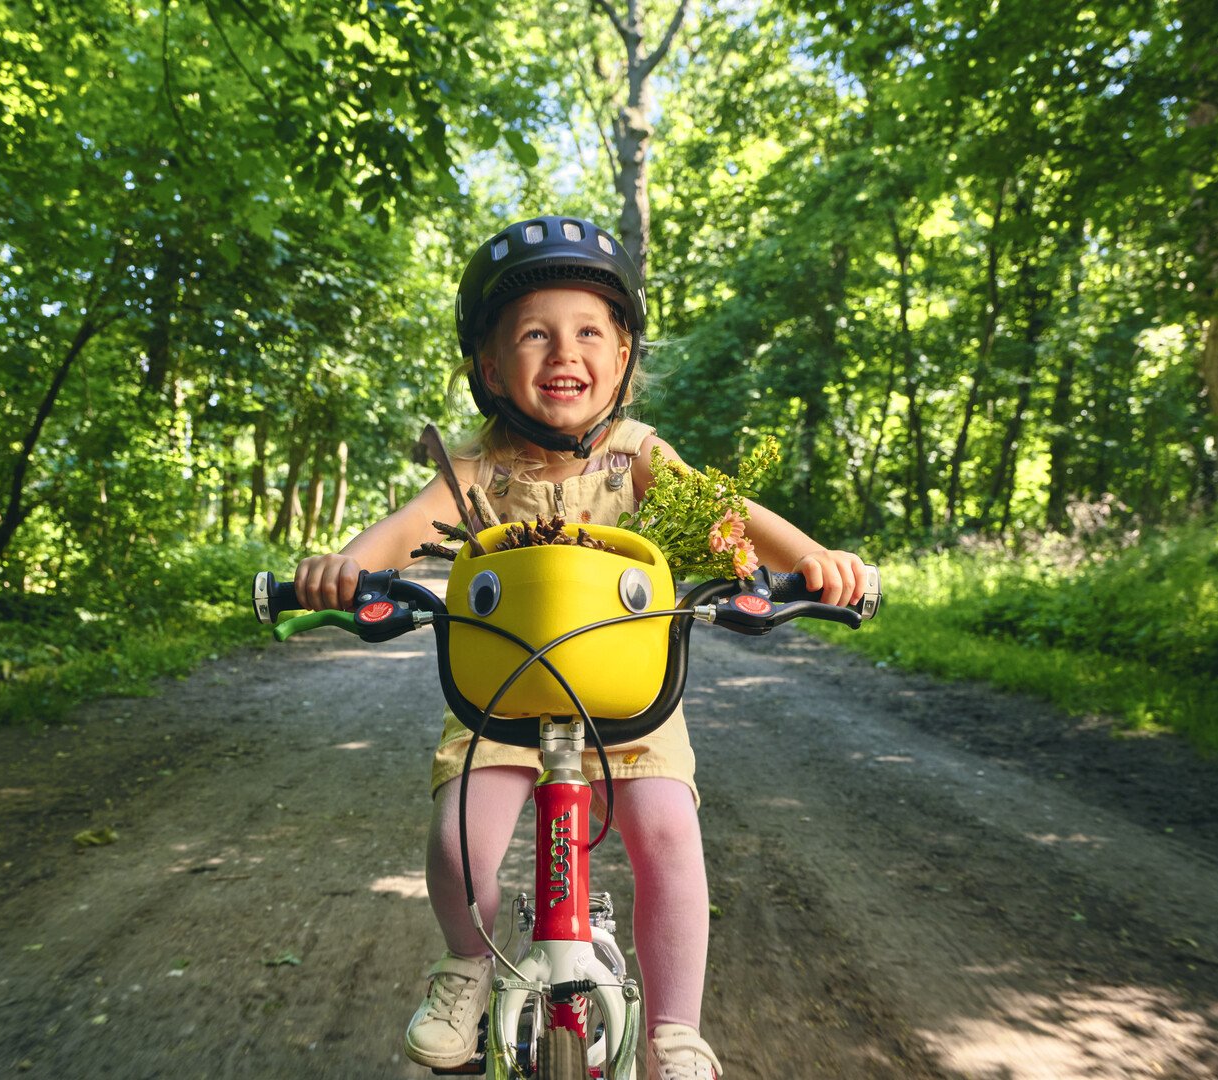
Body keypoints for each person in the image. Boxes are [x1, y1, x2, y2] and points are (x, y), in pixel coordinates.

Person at [292, 215, 869, 1080]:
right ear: (491, 367)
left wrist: (810, 562)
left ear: (624, 357)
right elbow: (398, 535)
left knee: (670, 835)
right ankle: (467, 964)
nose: (565, 351)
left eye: (590, 330)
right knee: (458, 841)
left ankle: (675, 1027)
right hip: (501, 697)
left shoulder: (636, 459)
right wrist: (343, 570)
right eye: (534, 333)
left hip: (630, 696)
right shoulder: (475, 469)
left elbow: (729, 517)